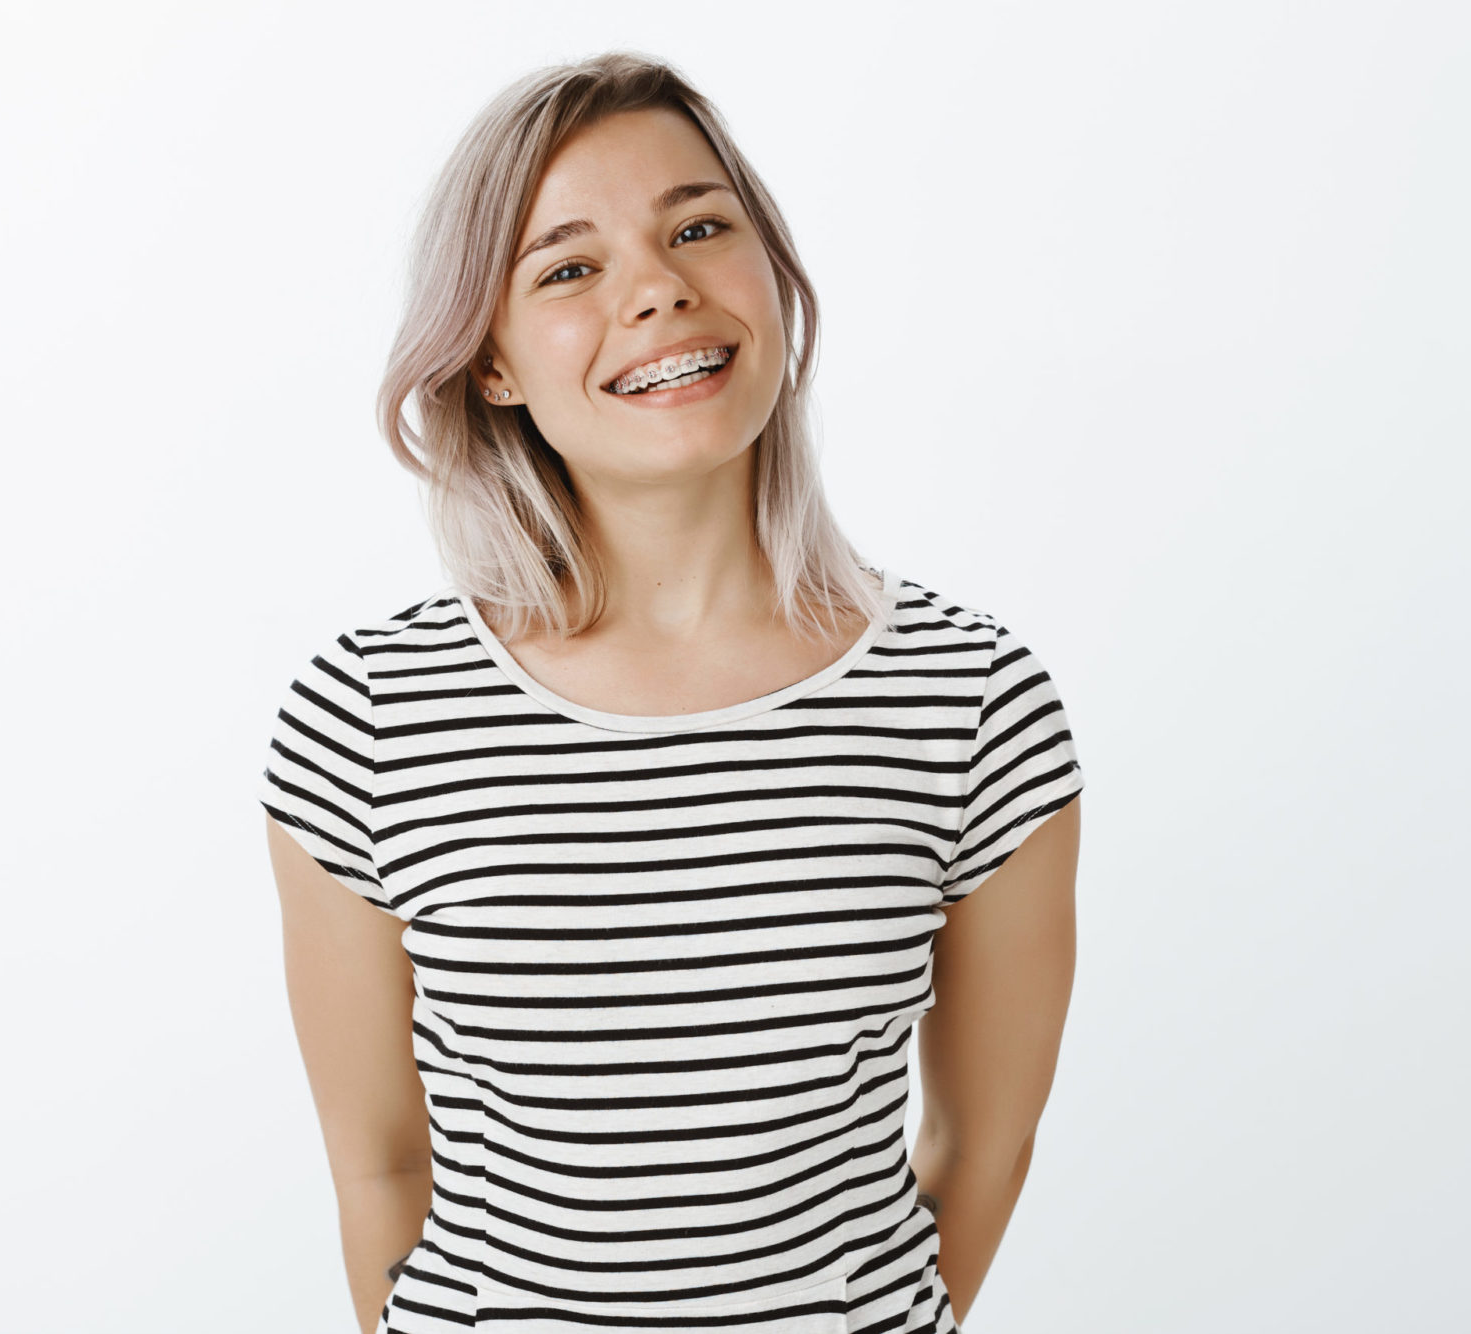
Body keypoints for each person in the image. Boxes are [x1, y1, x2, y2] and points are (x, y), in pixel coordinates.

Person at [256, 51, 1085, 1334]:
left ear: (773, 278)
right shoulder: (368, 715)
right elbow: (379, 1165)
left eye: (699, 226)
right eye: (569, 268)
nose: (658, 291)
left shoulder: (969, 697)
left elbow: (981, 1144)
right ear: (492, 365)